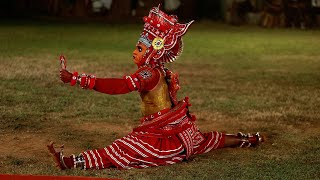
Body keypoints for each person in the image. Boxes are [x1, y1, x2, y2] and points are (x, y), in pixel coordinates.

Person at [48, 5, 264, 170]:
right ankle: (248, 139)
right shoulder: (157, 68)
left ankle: (71, 162)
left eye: (140, 48)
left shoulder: (148, 73)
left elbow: (121, 86)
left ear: (154, 51)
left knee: (123, 148)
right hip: (180, 129)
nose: (135, 51)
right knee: (208, 140)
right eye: (137, 46)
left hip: (164, 136)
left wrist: (77, 78)